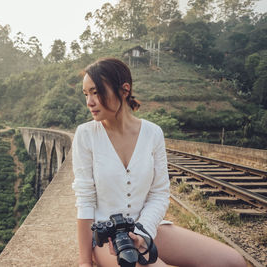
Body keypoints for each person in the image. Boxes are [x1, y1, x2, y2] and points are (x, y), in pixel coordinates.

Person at [71, 57, 246, 267]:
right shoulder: (85, 134)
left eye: (96, 92)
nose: (89, 102)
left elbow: (159, 193)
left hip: (147, 228)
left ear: (124, 90)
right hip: (107, 239)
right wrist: (84, 263)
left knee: (232, 261)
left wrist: (142, 231)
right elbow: (85, 201)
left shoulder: (153, 133)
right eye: (86, 94)